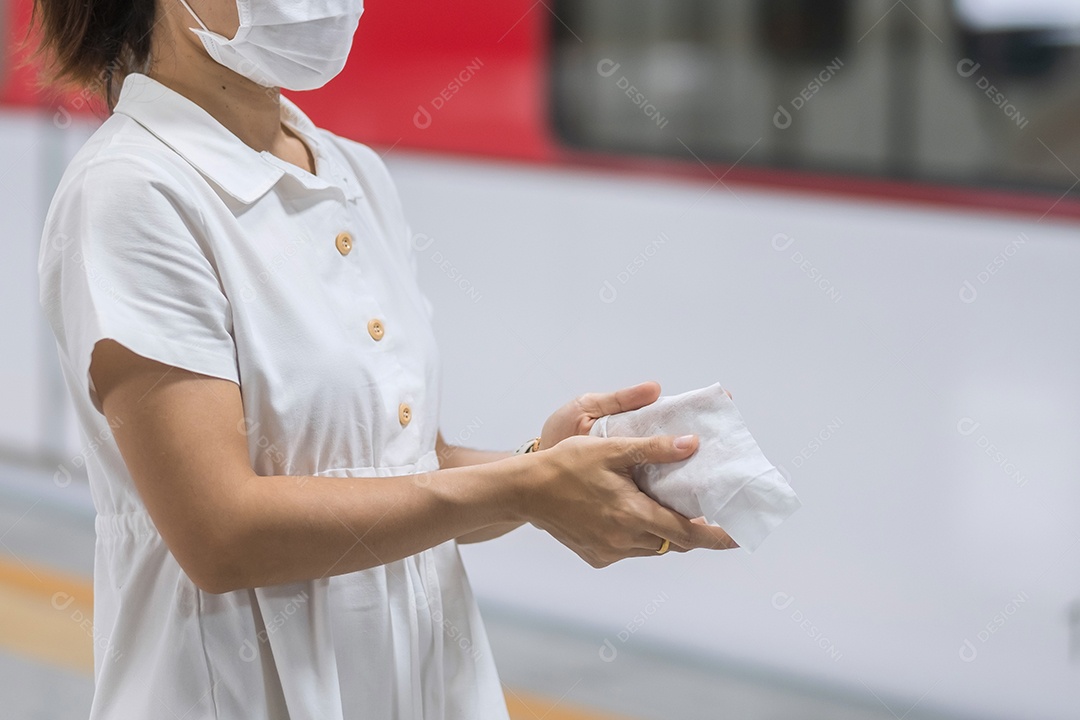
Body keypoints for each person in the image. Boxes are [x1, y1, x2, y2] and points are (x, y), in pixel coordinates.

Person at [31, 0, 737, 717]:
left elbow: (406, 471)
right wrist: (524, 489)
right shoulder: (131, 191)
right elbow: (221, 534)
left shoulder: (351, 172)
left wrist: (541, 464)